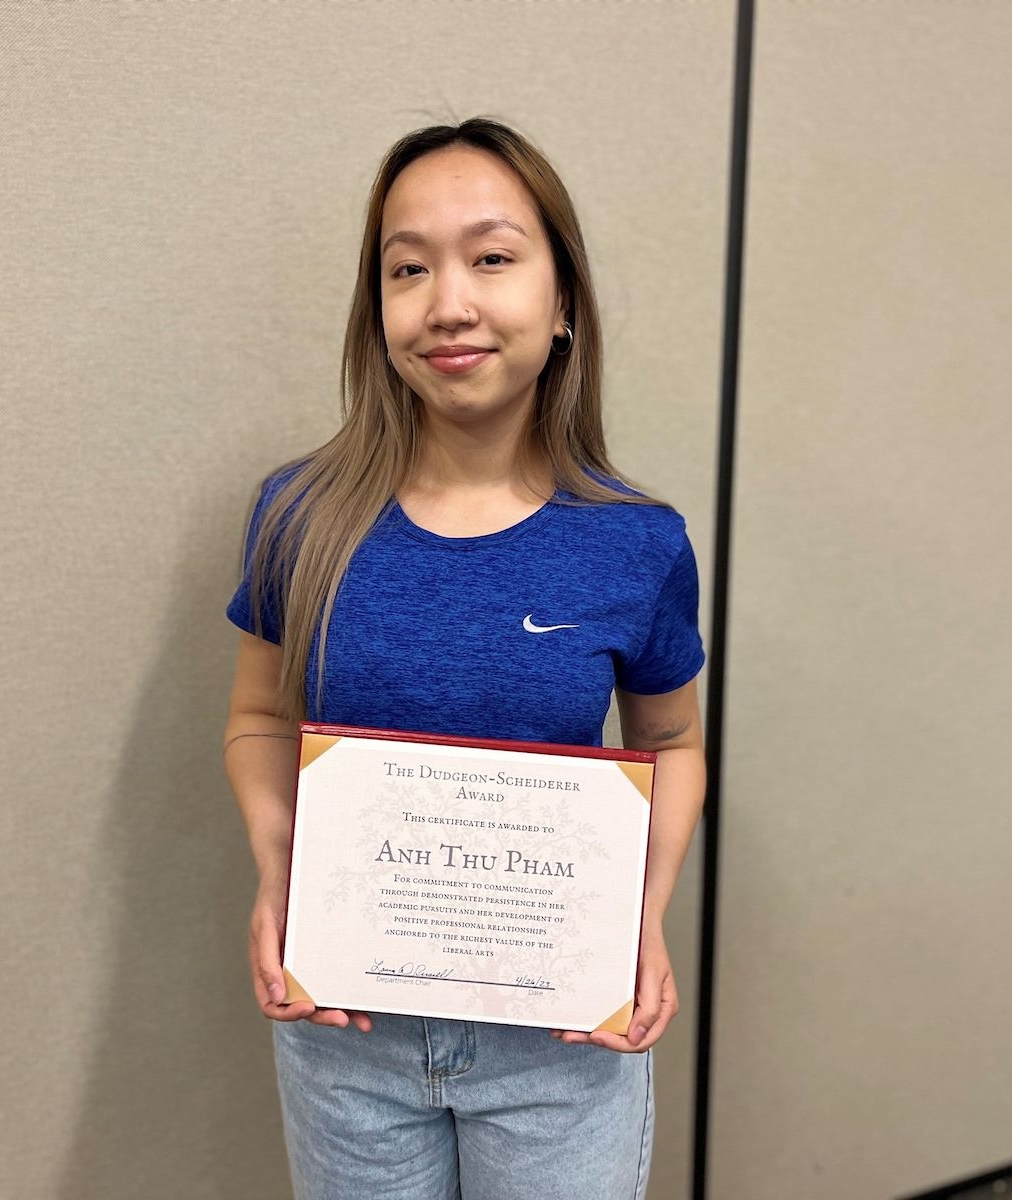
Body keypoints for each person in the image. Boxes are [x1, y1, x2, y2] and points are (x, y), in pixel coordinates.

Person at [222, 116, 707, 1200]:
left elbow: (671, 740)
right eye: (408, 268)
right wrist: (277, 861)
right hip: (347, 1036)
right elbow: (258, 717)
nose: (449, 303)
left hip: (558, 1043)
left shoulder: (634, 541)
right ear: (377, 307)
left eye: (491, 257)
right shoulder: (299, 516)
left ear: (562, 300)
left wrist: (641, 913)